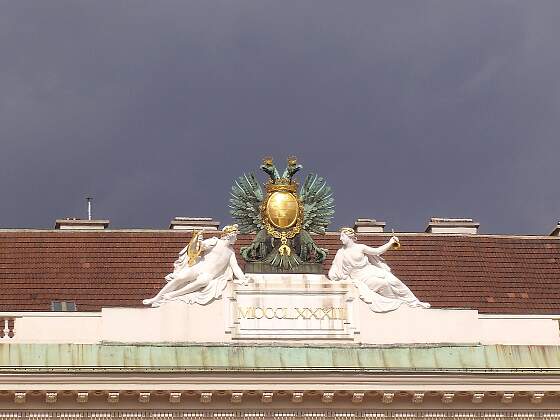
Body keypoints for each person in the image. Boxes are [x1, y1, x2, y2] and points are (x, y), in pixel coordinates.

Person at [143, 224, 248, 307]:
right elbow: (200, 248)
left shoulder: (231, 252)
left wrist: (243, 279)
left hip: (208, 275)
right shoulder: (215, 241)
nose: (237, 239)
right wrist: (200, 241)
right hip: (199, 268)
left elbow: (235, 268)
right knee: (180, 278)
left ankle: (173, 295)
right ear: (230, 235)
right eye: (236, 236)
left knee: (203, 281)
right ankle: (156, 298)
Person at [328, 227, 430, 312]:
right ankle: (397, 302)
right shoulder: (341, 252)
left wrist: (390, 242)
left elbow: (377, 251)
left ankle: (414, 302)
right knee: (383, 283)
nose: (341, 238)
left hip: (370, 270)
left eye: (342, 236)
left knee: (394, 280)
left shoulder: (360, 247)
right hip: (360, 277)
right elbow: (335, 267)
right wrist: (333, 275)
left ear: (349, 237)